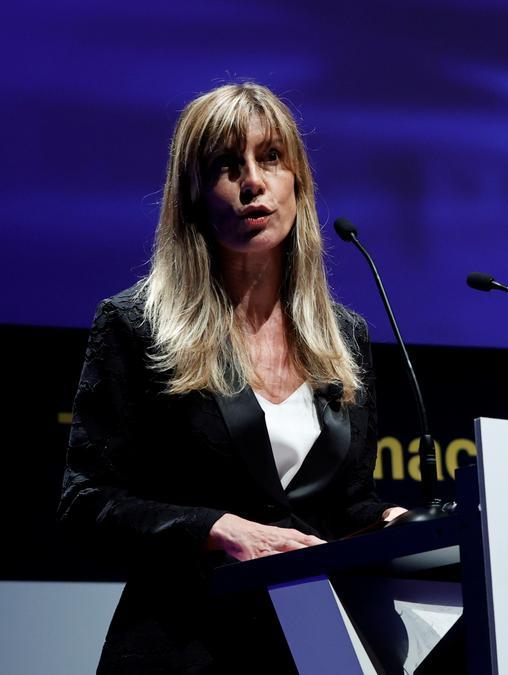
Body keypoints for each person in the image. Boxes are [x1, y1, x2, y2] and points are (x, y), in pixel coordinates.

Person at [57, 81, 406, 673]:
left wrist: (386, 523)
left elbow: (339, 504)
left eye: (271, 158)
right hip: (185, 645)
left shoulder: (343, 338)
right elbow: (86, 504)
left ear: (298, 182)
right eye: (226, 166)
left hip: (315, 647)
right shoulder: (136, 326)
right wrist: (213, 528)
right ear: (193, 195)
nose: (253, 183)